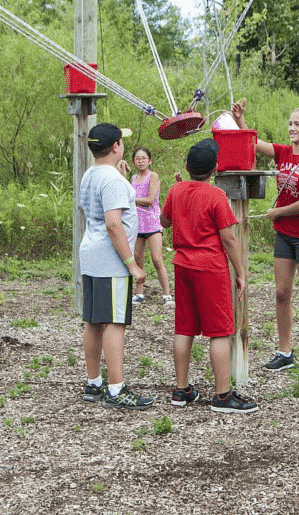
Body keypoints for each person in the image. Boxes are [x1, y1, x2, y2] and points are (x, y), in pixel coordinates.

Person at [160, 138, 257, 413]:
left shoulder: (176, 189)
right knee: (219, 331)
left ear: (187, 166)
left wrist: (178, 192)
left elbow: (164, 221)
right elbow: (229, 238)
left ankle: (181, 390)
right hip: (211, 268)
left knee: (184, 327)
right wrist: (240, 272)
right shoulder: (216, 196)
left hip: (183, 264)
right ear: (215, 169)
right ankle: (223, 396)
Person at [231, 98, 299, 375]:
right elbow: (253, 143)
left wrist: (277, 212)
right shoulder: (284, 152)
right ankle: (285, 352)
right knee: (282, 293)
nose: (291, 128)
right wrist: (240, 119)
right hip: (285, 234)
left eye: (297, 124)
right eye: (290, 123)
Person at [79, 123, 154, 410]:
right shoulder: (112, 180)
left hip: (91, 254)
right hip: (110, 261)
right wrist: (132, 265)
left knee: (94, 320)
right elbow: (113, 224)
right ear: (116, 147)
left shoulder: (92, 174)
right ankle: (116, 389)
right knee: (115, 321)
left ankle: (94, 382)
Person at [129, 147, 173, 305]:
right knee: (138, 260)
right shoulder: (133, 178)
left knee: (157, 259)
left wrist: (131, 200)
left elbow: (150, 199)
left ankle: (167, 294)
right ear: (134, 161)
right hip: (137, 223)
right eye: (137, 158)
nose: (140, 161)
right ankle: (139, 293)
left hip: (153, 223)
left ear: (149, 161)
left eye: (143, 158)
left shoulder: (153, 176)